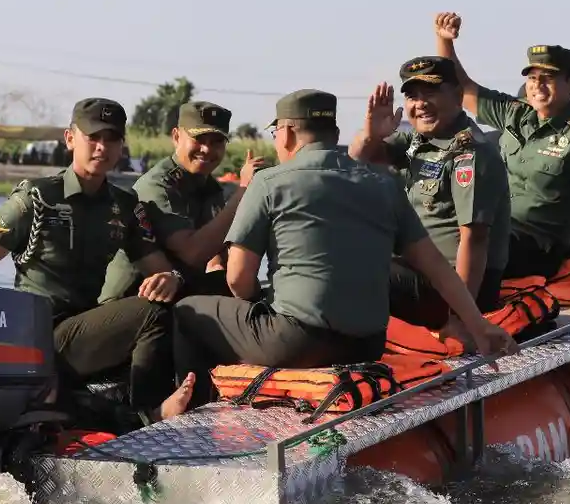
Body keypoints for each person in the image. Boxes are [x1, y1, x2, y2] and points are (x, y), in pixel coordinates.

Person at [172, 89, 520, 403]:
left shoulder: (268, 182)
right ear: (334, 134)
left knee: (187, 311)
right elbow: (436, 265)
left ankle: (195, 408)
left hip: (296, 343)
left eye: (276, 133)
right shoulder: (383, 184)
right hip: (367, 344)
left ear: (288, 133)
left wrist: (254, 307)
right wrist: (478, 325)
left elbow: (237, 277)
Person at [0, 97, 194, 431]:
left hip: (82, 330)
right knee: (150, 313)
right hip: (38, 334)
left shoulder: (124, 206)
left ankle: (136, 412)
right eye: (92, 137)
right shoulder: (36, 198)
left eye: (111, 138)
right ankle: (149, 420)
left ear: (121, 145)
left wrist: (171, 278)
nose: (102, 147)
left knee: (169, 306)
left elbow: (159, 268)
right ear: (70, 139)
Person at [432, 12, 570, 303]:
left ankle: (462, 314)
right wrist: (445, 41)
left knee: (468, 242)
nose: (538, 86)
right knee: (431, 231)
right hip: (493, 227)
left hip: (537, 246)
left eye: (548, 78)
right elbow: (462, 88)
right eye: (532, 78)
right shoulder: (515, 113)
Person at [349, 57, 512, 329]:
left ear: (457, 96)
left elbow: (475, 240)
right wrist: (370, 134)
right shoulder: (420, 140)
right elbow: (358, 159)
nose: (421, 104)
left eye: (430, 93)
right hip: (423, 273)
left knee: (361, 266)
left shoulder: (470, 153)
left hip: (454, 286)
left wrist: (462, 318)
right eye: (412, 96)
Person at [98, 100, 266, 303]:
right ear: (176, 137)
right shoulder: (158, 185)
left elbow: (213, 245)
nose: (206, 149)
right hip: (136, 300)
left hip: (178, 292)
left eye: (216, 142)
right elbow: (192, 253)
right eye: (199, 139)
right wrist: (243, 191)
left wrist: (218, 264)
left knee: (249, 290)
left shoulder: (209, 187)